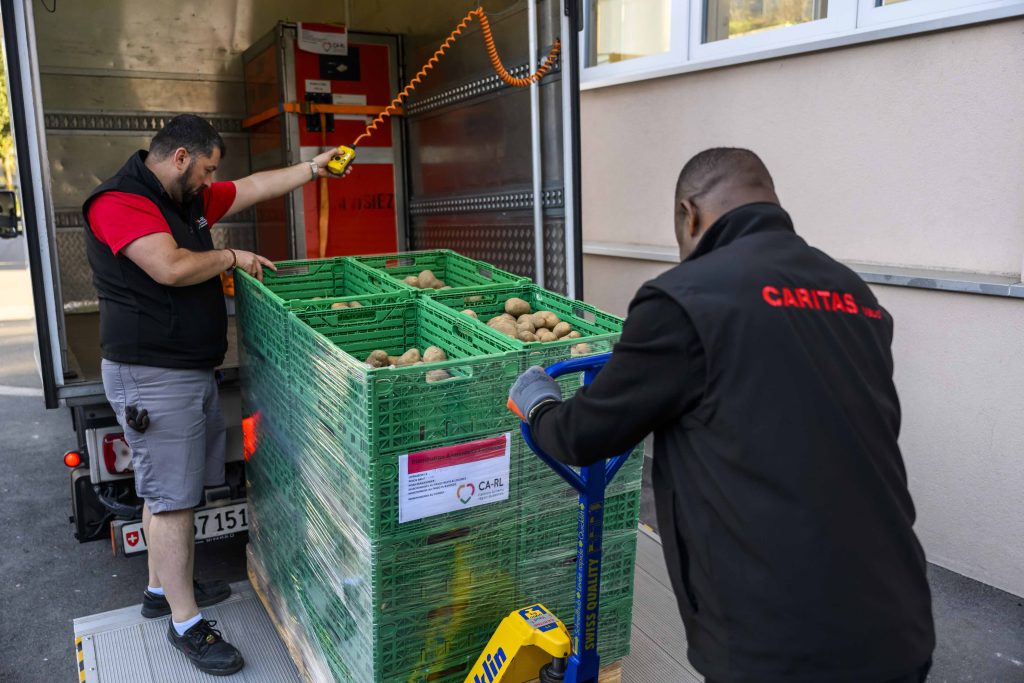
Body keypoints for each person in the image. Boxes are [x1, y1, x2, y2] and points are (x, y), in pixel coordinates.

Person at [508, 148, 935, 683]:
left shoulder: (684, 298)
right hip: (899, 621)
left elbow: (582, 435)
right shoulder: (855, 294)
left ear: (689, 214)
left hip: (781, 646)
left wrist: (539, 401)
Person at [83, 114, 343, 676]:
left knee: (168, 489)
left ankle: (160, 590)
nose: (210, 182)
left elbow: (249, 188)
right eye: (206, 170)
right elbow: (170, 267)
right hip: (151, 374)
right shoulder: (118, 201)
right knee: (173, 500)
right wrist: (231, 257)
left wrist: (311, 170)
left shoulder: (185, 198)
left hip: (187, 370)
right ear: (179, 158)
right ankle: (185, 624)